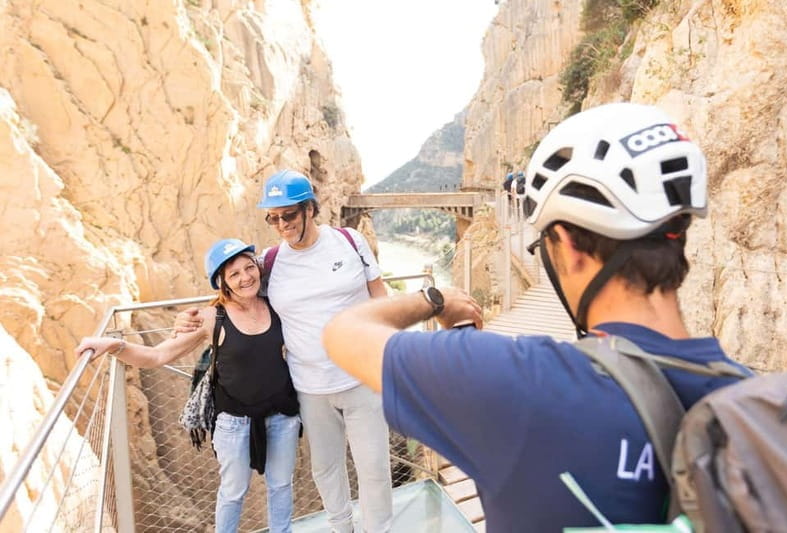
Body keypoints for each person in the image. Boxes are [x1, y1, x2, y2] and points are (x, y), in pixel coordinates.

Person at [320, 103, 752, 532]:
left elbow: (344, 332)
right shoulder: (760, 407)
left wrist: (435, 299)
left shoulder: (515, 381)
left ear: (566, 243)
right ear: (677, 234)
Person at [177, 170, 393, 533]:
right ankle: (343, 528)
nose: (281, 224)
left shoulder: (349, 241)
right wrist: (193, 315)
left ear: (310, 209)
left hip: (361, 377)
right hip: (309, 387)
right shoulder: (272, 261)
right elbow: (237, 289)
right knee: (325, 468)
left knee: (373, 467)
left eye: (288, 215)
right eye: (273, 217)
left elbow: (379, 296)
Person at [76, 239, 301, 533]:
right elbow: (159, 354)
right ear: (222, 281)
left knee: (281, 486)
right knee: (233, 493)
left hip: (282, 415)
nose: (246, 277)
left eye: (249, 268)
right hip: (234, 422)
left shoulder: (276, 305)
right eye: (234, 274)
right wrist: (114, 345)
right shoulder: (211, 317)